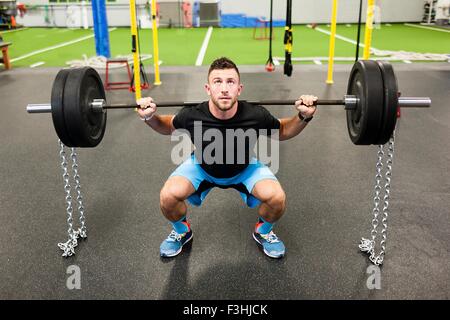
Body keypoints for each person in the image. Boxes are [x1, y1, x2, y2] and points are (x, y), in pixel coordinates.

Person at [136, 57, 317, 259]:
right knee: (168, 196)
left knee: (277, 198)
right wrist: (150, 117)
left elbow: (282, 129)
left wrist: (304, 116)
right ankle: (181, 231)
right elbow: (168, 125)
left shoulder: (255, 114)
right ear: (208, 88)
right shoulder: (193, 114)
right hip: (202, 167)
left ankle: (263, 232)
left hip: (244, 169)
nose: (224, 88)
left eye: (230, 82)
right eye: (217, 82)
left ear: (239, 89)